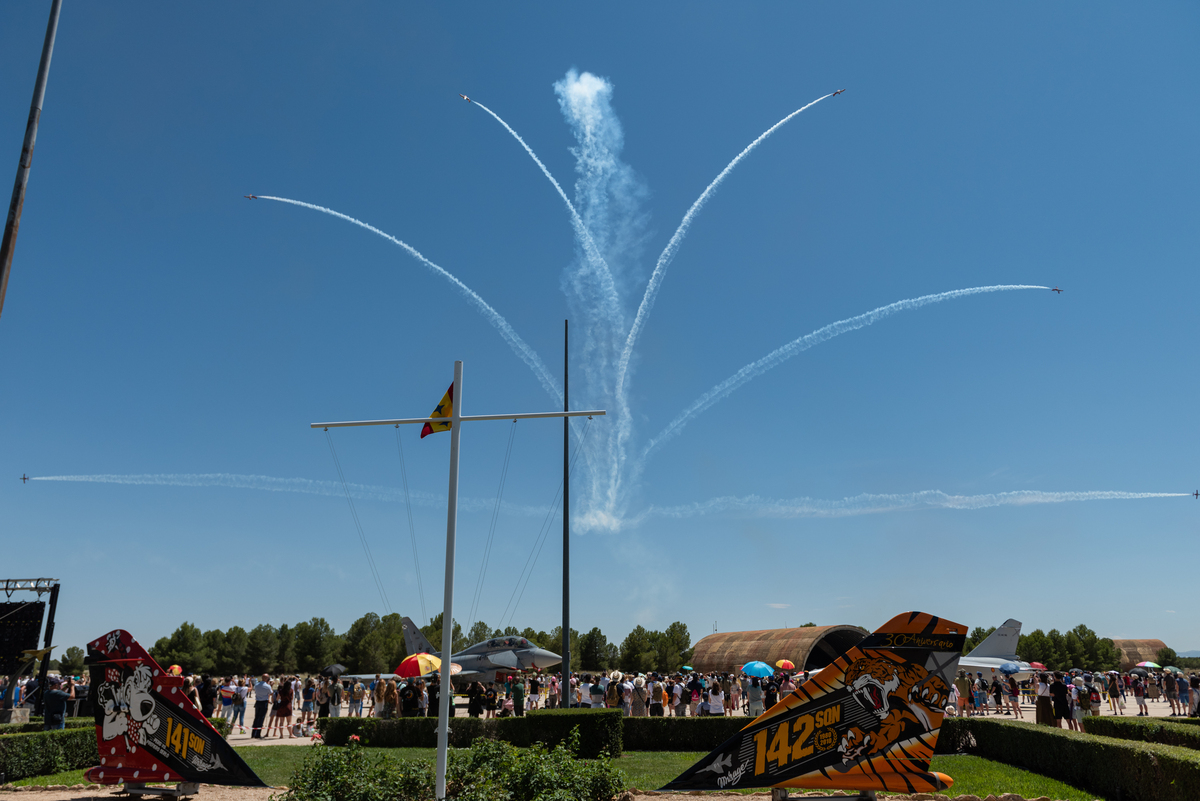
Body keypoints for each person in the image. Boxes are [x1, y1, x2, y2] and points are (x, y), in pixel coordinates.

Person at [251, 674, 272, 738]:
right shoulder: (267, 686)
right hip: (264, 702)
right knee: (261, 718)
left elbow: (255, 690)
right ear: (266, 678)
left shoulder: (257, 685)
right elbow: (271, 693)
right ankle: (258, 734)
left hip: (258, 702)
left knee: (256, 717)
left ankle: (253, 733)